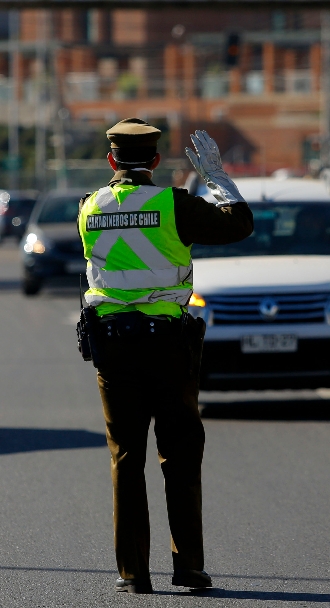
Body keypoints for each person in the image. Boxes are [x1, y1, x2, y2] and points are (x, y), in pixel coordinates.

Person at [77, 119, 253, 594]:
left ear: (112, 160)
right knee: (179, 454)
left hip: (113, 348)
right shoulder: (173, 204)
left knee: (126, 457)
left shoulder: (88, 207)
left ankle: (133, 573)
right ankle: (189, 568)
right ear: (155, 161)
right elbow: (240, 224)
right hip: (168, 347)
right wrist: (216, 176)